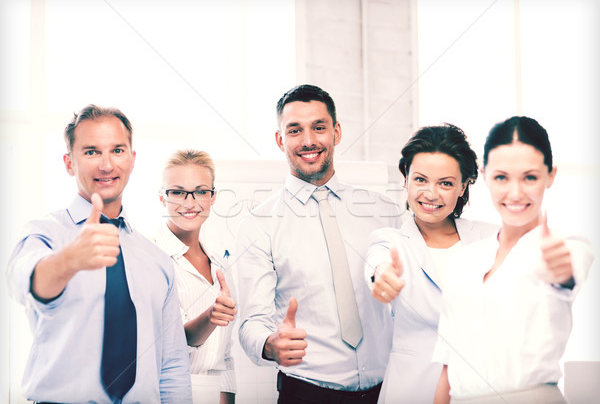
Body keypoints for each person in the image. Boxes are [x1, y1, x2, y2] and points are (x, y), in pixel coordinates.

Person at [6, 105, 192, 403]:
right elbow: (22, 280)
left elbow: (171, 366)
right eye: (91, 152)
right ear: (69, 163)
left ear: (132, 159)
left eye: (117, 150)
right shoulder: (45, 234)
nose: (107, 165)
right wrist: (69, 260)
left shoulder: (157, 260)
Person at [236, 84, 402, 404]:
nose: (309, 140)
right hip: (306, 393)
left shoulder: (385, 211)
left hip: (389, 391)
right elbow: (251, 324)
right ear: (280, 139)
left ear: (336, 132)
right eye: (295, 130)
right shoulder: (259, 224)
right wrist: (270, 344)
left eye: (319, 127)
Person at [432, 116, 594, 404]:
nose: (516, 192)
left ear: (551, 176)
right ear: (484, 176)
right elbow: (448, 364)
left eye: (530, 177)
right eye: (502, 177)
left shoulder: (567, 247)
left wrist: (562, 271)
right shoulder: (463, 260)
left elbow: (568, 273)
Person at [365, 124, 498, 403]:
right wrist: (382, 278)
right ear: (406, 180)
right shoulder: (390, 241)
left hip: (476, 389)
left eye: (446, 183)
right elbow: (378, 264)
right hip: (411, 389)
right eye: (421, 180)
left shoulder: (491, 239)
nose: (431, 193)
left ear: (463, 187)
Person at [153, 149, 237, 404]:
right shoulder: (151, 258)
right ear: (162, 197)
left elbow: (225, 353)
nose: (190, 203)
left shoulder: (220, 263)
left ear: (212, 197)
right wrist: (211, 317)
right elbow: (173, 338)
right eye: (177, 192)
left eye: (201, 191)